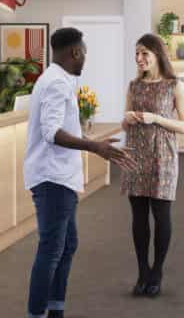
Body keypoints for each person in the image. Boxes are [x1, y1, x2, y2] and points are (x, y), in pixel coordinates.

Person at [24, 27, 134, 318]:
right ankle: (38, 313)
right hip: (52, 177)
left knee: (67, 245)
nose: (85, 57)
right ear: (74, 52)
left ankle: (55, 310)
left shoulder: (58, 80)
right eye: (84, 52)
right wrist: (94, 146)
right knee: (51, 249)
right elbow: (51, 133)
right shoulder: (56, 84)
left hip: (60, 177)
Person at [121, 33, 184, 298]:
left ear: (157, 55)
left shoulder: (175, 85)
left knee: (161, 216)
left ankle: (157, 271)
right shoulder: (133, 86)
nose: (139, 59)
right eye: (137, 54)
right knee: (138, 217)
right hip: (135, 156)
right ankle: (142, 271)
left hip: (163, 156)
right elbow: (123, 123)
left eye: (145, 54)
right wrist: (127, 120)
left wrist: (157, 119)